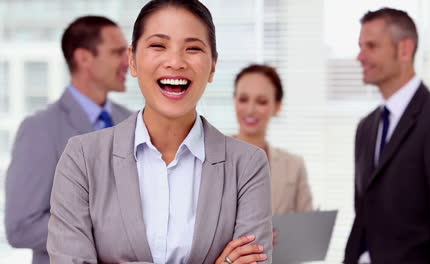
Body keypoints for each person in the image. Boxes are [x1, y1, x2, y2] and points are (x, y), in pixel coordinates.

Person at [46, 1, 273, 264]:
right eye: (158, 45)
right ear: (132, 60)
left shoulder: (247, 166)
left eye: (193, 48)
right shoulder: (82, 158)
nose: (175, 62)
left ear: (212, 66)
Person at [344, 7, 430, 264]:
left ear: (404, 50)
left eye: (371, 46)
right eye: (360, 46)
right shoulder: (366, 128)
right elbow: (365, 218)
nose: (360, 56)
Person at [4, 16, 132, 264]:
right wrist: (103, 227)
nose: (128, 62)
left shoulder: (133, 122)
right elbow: (21, 228)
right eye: (117, 53)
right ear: (84, 58)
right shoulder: (39, 130)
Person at [233, 64, 313, 215]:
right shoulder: (210, 158)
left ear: (277, 107)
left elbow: (307, 228)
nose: (250, 110)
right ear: (234, 101)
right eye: (243, 99)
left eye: (261, 102)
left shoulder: (294, 166)